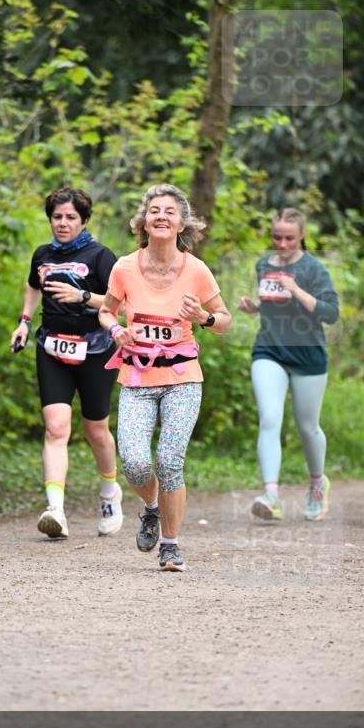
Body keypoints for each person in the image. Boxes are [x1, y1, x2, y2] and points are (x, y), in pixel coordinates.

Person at [98, 183, 232, 572]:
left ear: (181, 223)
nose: (161, 216)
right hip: (137, 378)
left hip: (182, 379)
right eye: (154, 210)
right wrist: (115, 332)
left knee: (169, 460)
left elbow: (225, 321)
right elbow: (106, 312)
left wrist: (203, 319)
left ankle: (170, 546)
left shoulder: (196, 270)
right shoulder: (125, 267)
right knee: (136, 464)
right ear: (143, 221)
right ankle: (152, 508)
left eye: (169, 211)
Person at [10, 187, 123, 539]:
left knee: (95, 430)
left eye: (70, 217)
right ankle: (55, 509)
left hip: (96, 350)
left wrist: (83, 297)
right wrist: (24, 322)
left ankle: (109, 493)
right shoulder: (42, 254)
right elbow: (33, 286)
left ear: (84, 220)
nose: (62, 223)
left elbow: (123, 302)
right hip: (52, 348)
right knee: (56, 427)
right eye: (57, 217)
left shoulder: (101, 256)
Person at [238, 207, 339, 522]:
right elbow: (273, 306)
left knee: (308, 428)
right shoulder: (262, 266)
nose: (281, 244)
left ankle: (317, 483)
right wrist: (255, 308)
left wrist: (296, 290)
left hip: (308, 355)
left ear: (302, 236)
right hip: (269, 351)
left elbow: (330, 313)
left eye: (289, 239)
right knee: (269, 418)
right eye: (276, 237)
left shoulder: (314, 269)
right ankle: (270, 494)